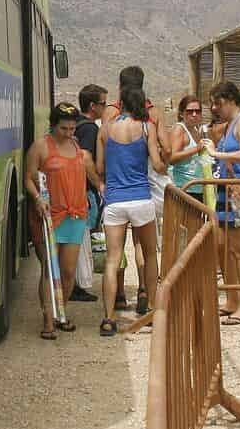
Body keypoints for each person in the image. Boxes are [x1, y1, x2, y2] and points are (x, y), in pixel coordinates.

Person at [24, 103, 100, 339]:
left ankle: (61, 312)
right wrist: (37, 198)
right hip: (50, 216)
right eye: (64, 128)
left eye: (71, 128)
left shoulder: (77, 147)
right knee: (50, 269)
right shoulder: (41, 147)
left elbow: (91, 175)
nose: (68, 133)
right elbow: (29, 176)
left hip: (75, 215)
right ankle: (48, 319)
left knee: (68, 272)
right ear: (54, 125)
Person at [95, 85, 164, 336]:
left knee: (113, 259)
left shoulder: (105, 130)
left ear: (120, 104)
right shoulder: (147, 128)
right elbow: (156, 164)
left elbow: (100, 167)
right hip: (141, 199)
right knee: (149, 254)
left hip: (115, 200)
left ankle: (109, 318)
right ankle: (155, 310)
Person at [209, 80, 240, 326]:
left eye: (218, 104)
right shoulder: (230, 125)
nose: (215, 109)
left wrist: (218, 154)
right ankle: (232, 300)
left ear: (229, 100)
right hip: (226, 192)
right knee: (226, 248)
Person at [67, 84, 107, 302]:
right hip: (83, 191)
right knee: (80, 238)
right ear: (93, 106)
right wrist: (98, 184)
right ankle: (74, 285)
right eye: (103, 103)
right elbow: (85, 157)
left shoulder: (77, 126)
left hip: (72, 190)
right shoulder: (90, 128)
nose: (104, 108)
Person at [166, 95, 210, 199]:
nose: (194, 114)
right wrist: (196, 149)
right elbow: (171, 158)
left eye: (198, 111)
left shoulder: (195, 130)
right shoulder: (179, 129)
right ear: (182, 114)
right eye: (190, 111)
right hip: (183, 188)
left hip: (196, 187)